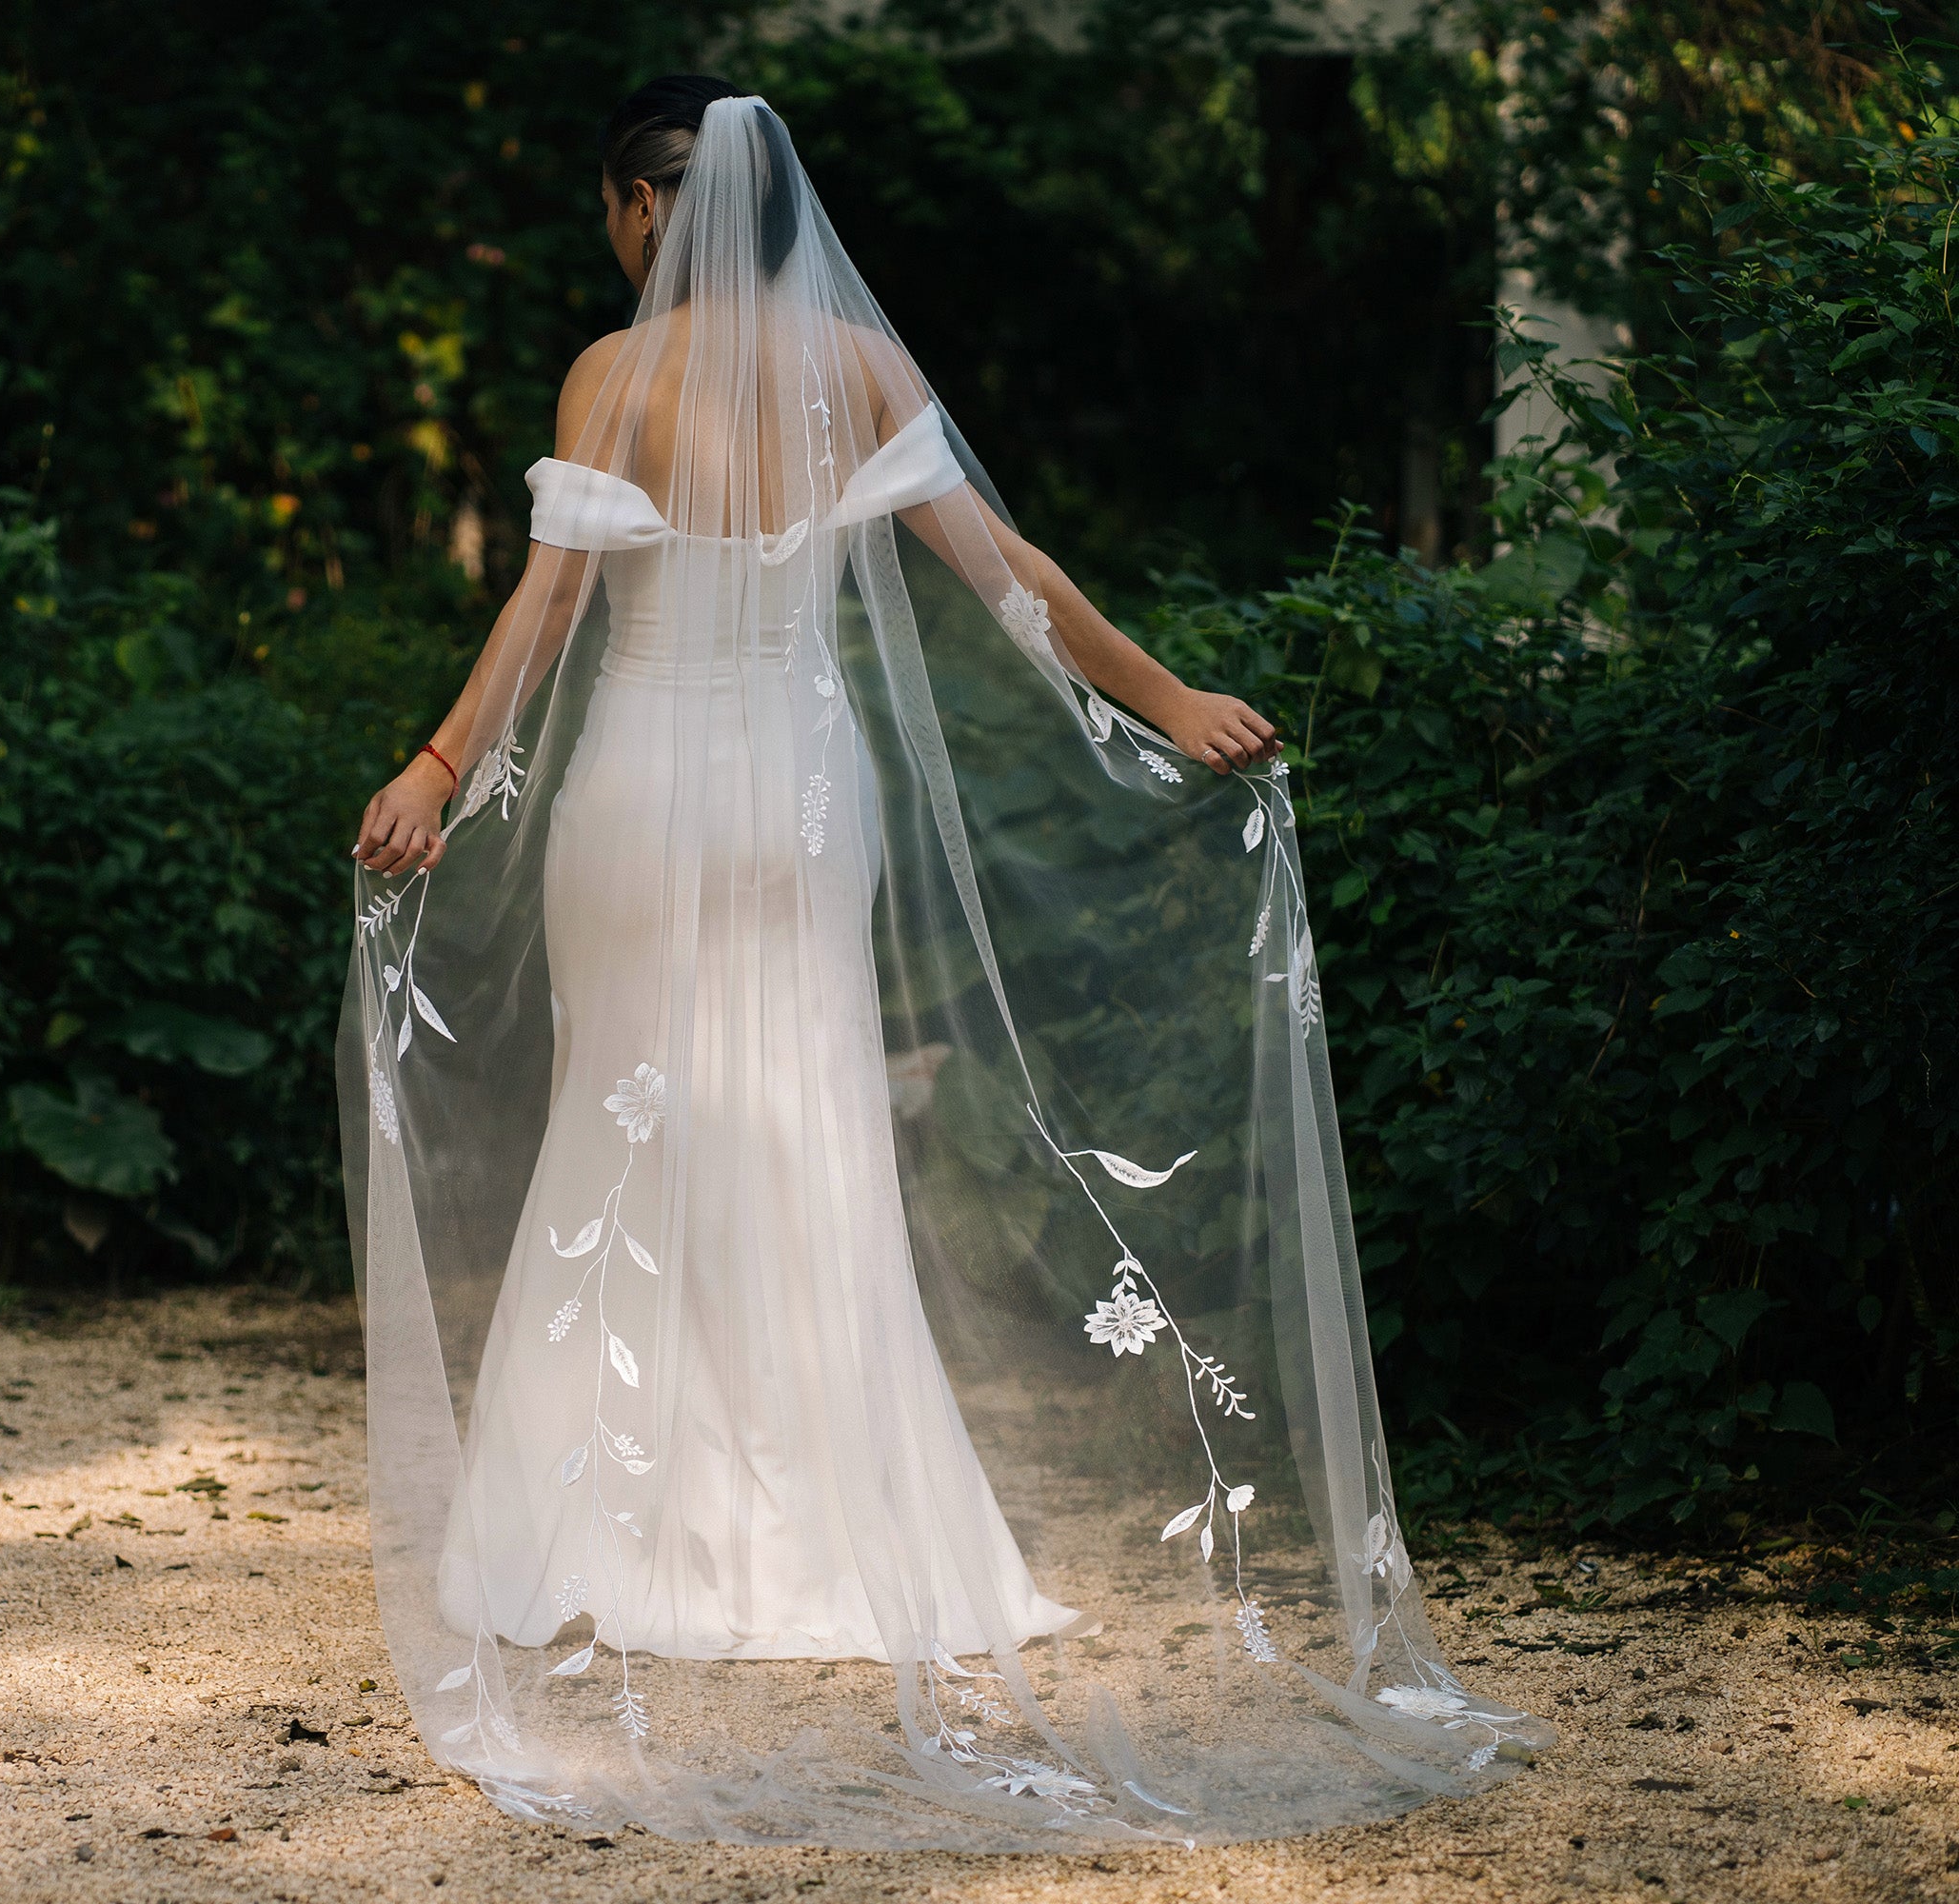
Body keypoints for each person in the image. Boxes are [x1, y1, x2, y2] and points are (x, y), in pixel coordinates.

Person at [340, 76, 1541, 1851]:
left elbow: (552, 605)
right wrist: (1173, 698)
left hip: (649, 781)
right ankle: (854, 1528)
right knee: (811, 1123)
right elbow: (1009, 576)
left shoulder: (616, 375)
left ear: (641, 210)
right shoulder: (857, 368)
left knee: (631, 1116)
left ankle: (592, 1523)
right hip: (806, 791)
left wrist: (440, 765)